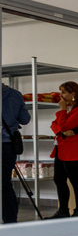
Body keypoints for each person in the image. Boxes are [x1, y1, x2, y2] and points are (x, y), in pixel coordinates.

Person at [49, 81, 78, 218]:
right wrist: (61, 131)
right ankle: (63, 210)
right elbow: (54, 124)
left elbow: (64, 126)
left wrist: (62, 111)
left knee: (75, 181)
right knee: (59, 179)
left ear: (73, 94)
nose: (61, 96)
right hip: (60, 148)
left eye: (63, 92)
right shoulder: (69, 109)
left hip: (73, 150)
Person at [2, 83, 31, 223]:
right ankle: (10, 220)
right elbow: (25, 119)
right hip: (8, 144)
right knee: (5, 183)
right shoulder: (15, 94)